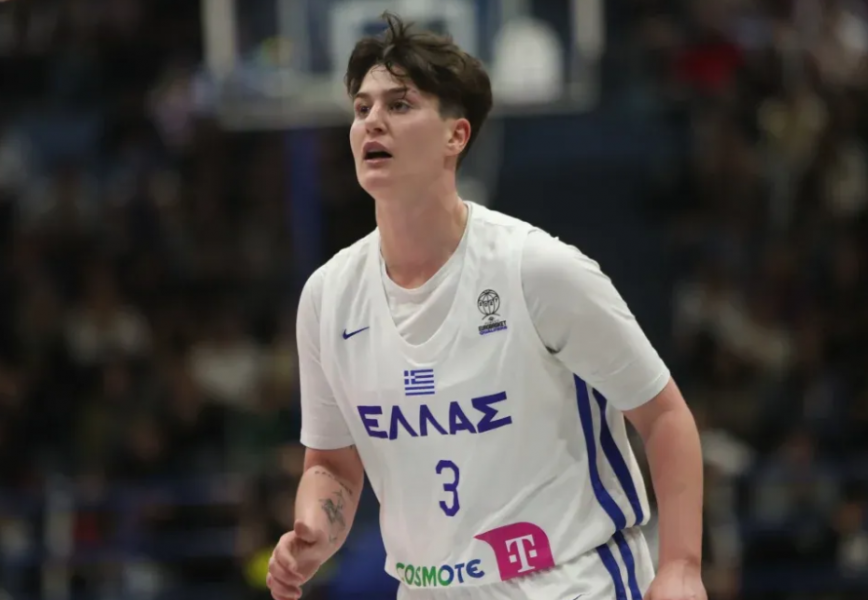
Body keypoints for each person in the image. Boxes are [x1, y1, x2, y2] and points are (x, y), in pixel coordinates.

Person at [267, 12, 706, 600]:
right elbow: (331, 463)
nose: (373, 120)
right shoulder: (328, 297)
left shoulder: (539, 270)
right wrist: (316, 528)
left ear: (456, 136)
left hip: (570, 582)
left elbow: (666, 416)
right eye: (362, 107)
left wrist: (681, 565)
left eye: (400, 105)